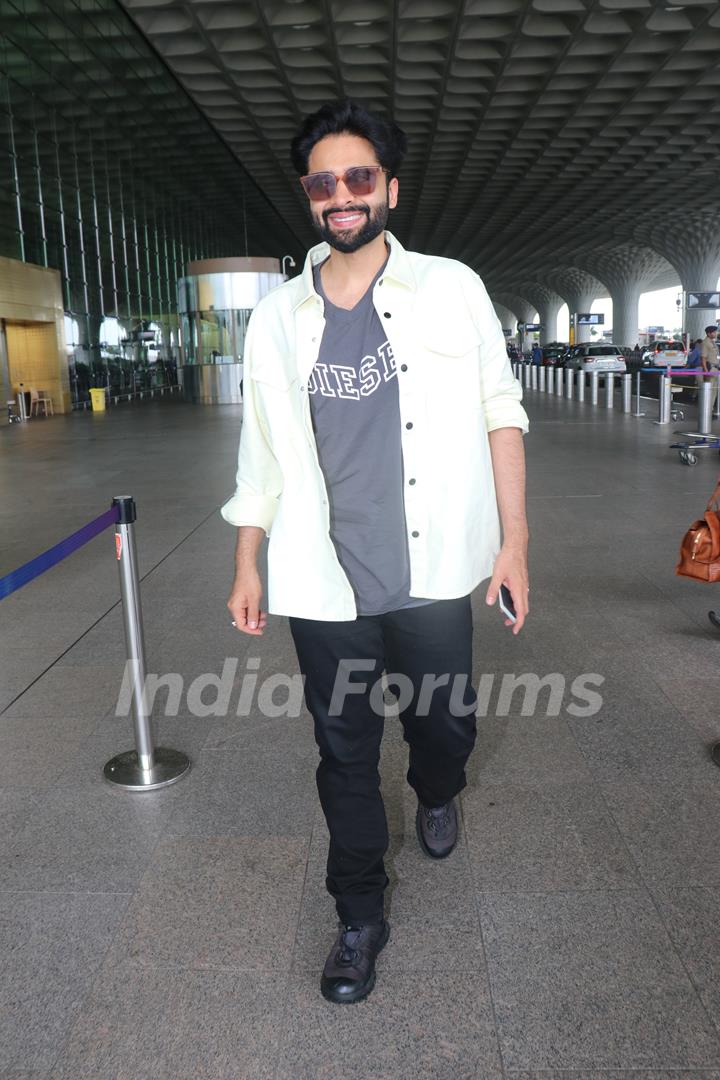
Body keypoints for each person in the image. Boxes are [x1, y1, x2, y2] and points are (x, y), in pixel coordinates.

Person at [222, 100, 529, 1006]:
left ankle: (439, 787)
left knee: (445, 728)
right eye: (325, 182)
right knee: (343, 751)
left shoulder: (451, 287)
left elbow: (500, 413)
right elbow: (262, 453)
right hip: (324, 582)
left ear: (390, 188)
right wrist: (248, 561)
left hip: (435, 576)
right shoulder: (277, 319)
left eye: (360, 178)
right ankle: (358, 915)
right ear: (310, 199)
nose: (343, 196)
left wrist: (514, 544)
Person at [698, 325, 719, 409]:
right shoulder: (705, 343)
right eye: (714, 332)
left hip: (715, 369)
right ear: (709, 333)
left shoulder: (712, 342)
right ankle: (706, 411)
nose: (715, 333)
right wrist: (706, 372)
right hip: (710, 369)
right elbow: (703, 358)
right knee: (709, 391)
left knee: (714, 391)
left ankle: (709, 410)